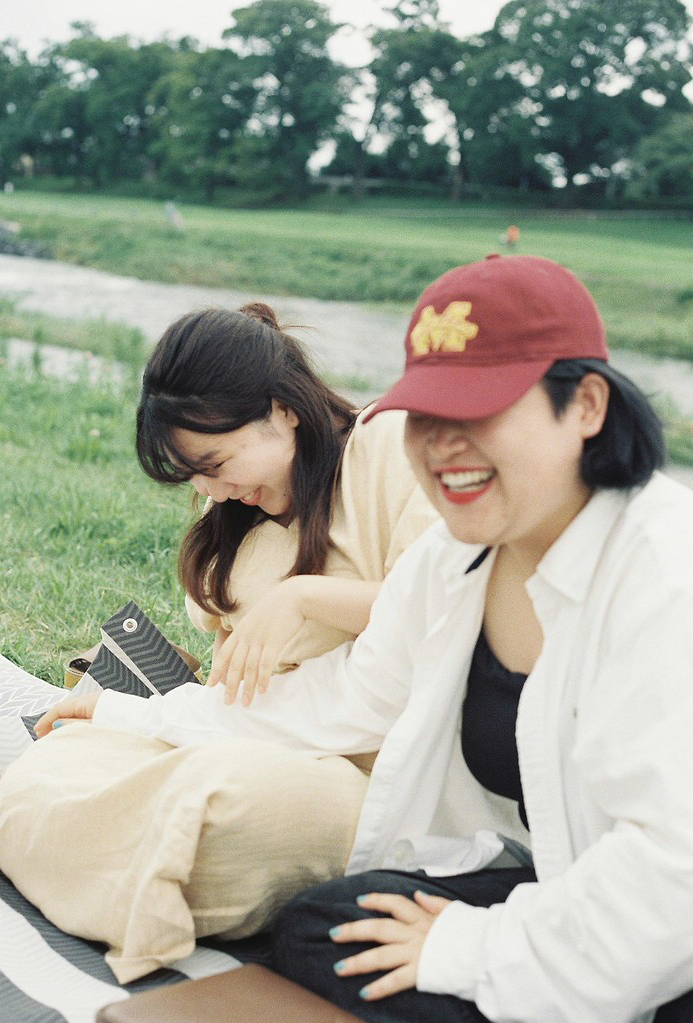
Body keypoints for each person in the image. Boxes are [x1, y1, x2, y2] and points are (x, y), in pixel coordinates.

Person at [37, 254, 693, 1021]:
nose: (443, 446)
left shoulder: (661, 574)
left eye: (480, 411)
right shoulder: (457, 559)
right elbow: (334, 700)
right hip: (554, 876)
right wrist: (132, 715)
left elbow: (669, 867)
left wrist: (466, 945)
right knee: (325, 928)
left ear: (584, 405)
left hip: (664, 913)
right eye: (427, 415)